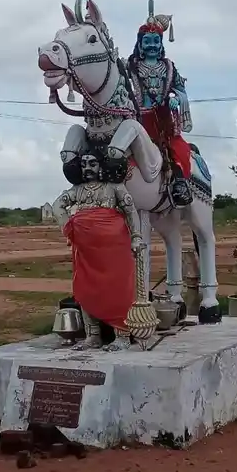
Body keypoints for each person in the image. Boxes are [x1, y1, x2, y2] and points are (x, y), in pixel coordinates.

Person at [52, 150, 143, 351]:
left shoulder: (114, 187)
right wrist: (69, 229)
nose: (87, 168)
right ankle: (93, 336)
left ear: (102, 165)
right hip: (86, 250)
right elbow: (57, 205)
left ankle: (122, 335)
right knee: (86, 288)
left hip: (115, 248)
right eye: (84, 164)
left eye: (92, 163)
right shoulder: (77, 190)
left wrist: (136, 237)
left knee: (118, 289)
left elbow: (130, 211)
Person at [126, 1, 193, 207]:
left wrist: (176, 99)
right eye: (147, 41)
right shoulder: (131, 66)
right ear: (140, 44)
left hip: (163, 118)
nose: (152, 45)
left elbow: (181, 90)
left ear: (161, 44)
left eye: (156, 41)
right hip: (137, 117)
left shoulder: (169, 67)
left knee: (177, 148)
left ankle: (179, 182)